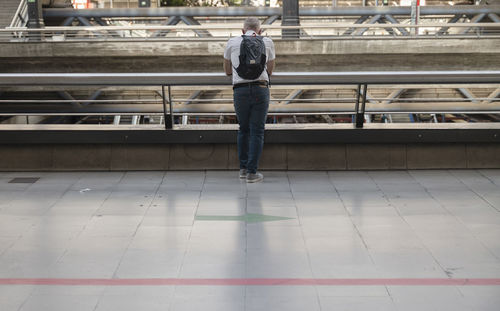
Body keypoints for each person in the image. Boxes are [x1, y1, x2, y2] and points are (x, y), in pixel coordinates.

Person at [223, 17, 275, 183]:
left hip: (240, 90)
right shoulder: (267, 42)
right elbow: (270, 70)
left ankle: (243, 169)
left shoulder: (232, 42)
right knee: (257, 131)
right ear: (260, 31)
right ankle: (253, 173)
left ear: (242, 30)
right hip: (260, 89)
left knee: (243, 129)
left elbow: (227, 71)